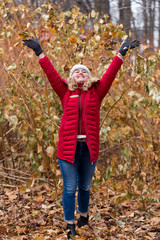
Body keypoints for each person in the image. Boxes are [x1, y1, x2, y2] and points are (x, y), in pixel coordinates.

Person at [23, 36, 140, 239]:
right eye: (76, 71)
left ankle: (83, 217)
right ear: (71, 77)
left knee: (85, 186)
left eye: (84, 72)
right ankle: (70, 225)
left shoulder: (97, 92)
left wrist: (121, 53)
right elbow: (50, 73)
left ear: (89, 78)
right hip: (67, 149)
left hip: (89, 148)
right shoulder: (64, 92)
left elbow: (111, 73)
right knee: (69, 188)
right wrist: (39, 52)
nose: (80, 73)